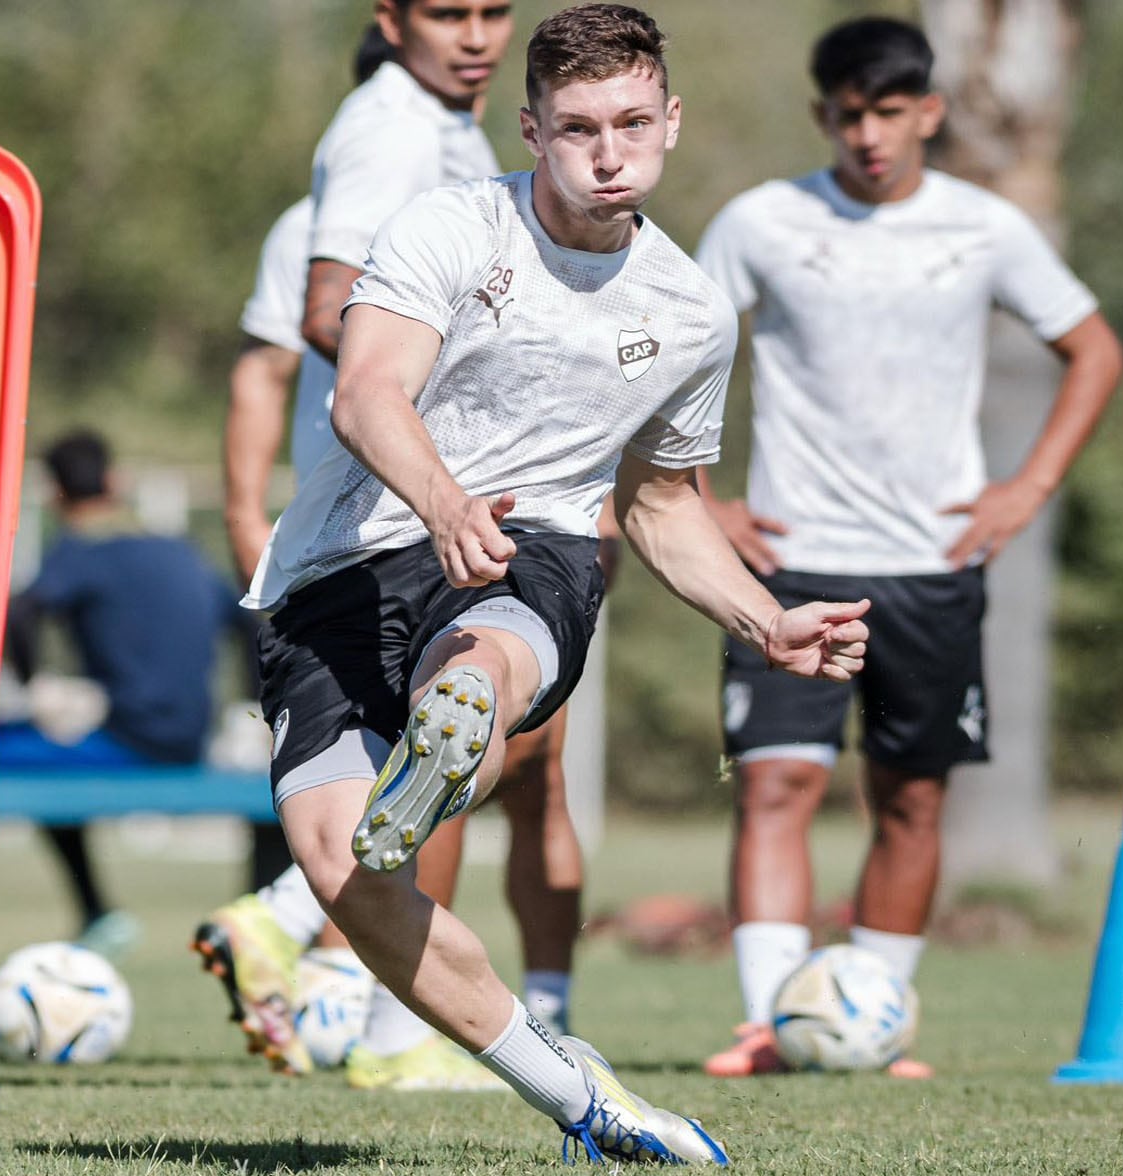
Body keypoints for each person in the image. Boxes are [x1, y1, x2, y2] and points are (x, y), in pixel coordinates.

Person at [244, 3, 879, 1161]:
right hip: (335, 571)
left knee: (486, 640)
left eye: (631, 123)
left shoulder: (686, 310)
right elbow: (364, 392)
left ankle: (456, 724)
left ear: (668, 124)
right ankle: (581, 1098)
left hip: (525, 552)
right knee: (345, 876)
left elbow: (659, 506)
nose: (606, 152)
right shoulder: (446, 226)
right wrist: (439, 501)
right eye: (577, 126)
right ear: (530, 127)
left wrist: (763, 617)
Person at [694, 16, 1123, 1079]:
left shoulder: (982, 228)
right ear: (821, 116)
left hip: (929, 572)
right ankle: (768, 1025)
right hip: (790, 562)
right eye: (847, 115)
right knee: (773, 786)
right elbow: (677, 356)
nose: (868, 135)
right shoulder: (758, 222)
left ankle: (873, 1016)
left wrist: (1024, 487)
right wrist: (703, 507)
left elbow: (1092, 349)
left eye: (888, 112)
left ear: (926, 111)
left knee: (909, 797)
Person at [208, 0, 594, 1091]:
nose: (473, 36)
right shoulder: (388, 127)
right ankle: (372, 1009)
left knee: (480, 742)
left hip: (425, 501)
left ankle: (316, 946)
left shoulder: (455, 134)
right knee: (465, 735)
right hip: (398, 517)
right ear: (392, 21)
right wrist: (479, 384)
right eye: (446, 14)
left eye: (490, 13)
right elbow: (333, 311)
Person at [0, 430, 256, 960]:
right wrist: (254, 708)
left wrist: (34, 685)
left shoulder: (82, 549)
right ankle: (99, 913)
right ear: (116, 481)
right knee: (49, 767)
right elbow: (252, 623)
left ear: (55, 493)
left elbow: (18, 611)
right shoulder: (180, 549)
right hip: (191, 742)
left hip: (129, 744)